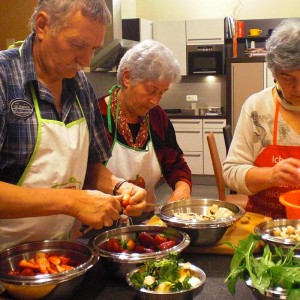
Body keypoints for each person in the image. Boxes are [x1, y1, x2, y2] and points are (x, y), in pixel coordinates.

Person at [0, 0, 146, 252]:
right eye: (78, 45)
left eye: (94, 48)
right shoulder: (4, 78)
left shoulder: (80, 86)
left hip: (59, 253)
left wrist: (119, 187)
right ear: (43, 25)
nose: (86, 60)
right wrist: (71, 201)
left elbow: (92, 166)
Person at [98, 40, 192, 222]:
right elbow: (87, 174)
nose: (155, 101)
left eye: (162, 93)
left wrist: (182, 188)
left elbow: (176, 164)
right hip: (99, 224)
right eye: (151, 90)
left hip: (146, 221)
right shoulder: (97, 116)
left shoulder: (157, 118)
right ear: (127, 77)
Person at [223, 18, 300, 219]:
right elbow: (231, 173)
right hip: (265, 228)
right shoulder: (257, 108)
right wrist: (271, 175)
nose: (298, 88)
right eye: (288, 77)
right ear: (273, 72)